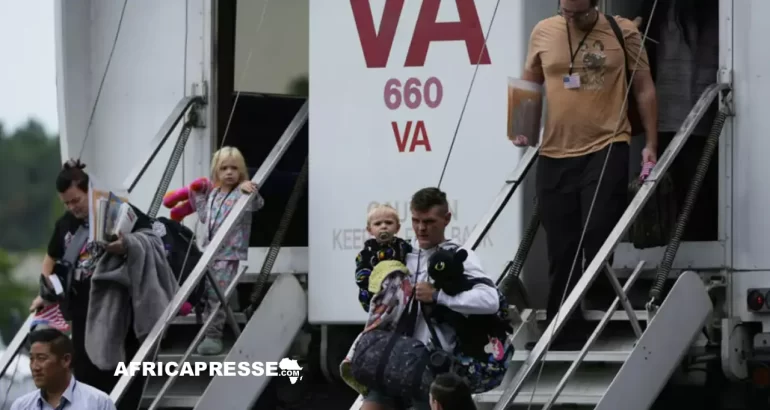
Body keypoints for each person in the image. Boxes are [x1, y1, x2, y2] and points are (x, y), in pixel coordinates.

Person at [514, 0, 658, 349]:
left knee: (596, 233)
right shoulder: (544, 32)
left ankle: (592, 303)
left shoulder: (623, 32)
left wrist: (651, 144)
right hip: (554, 151)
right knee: (560, 247)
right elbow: (530, 81)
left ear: (595, 5)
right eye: (566, 12)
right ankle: (561, 327)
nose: (572, 19)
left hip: (607, 144)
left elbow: (644, 88)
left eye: (579, 13)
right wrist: (522, 126)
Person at [362, 187, 499, 410]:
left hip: (433, 365)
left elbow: (490, 300)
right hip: (394, 356)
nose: (421, 228)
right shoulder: (401, 253)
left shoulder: (459, 255)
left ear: (446, 219)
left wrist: (438, 296)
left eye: (429, 221)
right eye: (416, 221)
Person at [28, 159, 150, 410]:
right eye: (67, 203)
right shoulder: (65, 224)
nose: (73, 207)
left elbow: (149, 238)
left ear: (89, 191)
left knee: (121, 369)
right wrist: (47, 291)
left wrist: (124, 246)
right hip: (83, 311)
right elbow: (50, 258)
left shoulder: (116, 210)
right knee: (86, 372)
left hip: (118, 308)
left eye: (76, 200)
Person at [633, 0, 720, 241]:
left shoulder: (661, 9)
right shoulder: (661, 8)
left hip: (687, 116)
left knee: (686, 194)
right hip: (686, 116)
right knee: (691, 194)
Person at [185, 146, 263, 355]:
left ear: (241, 172)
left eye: (234, 168)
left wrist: (249, 190)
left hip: (229, 253)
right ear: (216, 172)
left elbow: (256, 204)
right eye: (224, 168)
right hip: (210, 252)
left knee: (215, 295)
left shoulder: (242, 192)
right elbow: (204, 216)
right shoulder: (214, 195)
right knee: (206, 290)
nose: (229, 172)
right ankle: (231, 299)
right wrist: (196, 195)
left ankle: (213, 335)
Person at [10, 328, 116, 410]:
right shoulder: (21, 406)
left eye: (41, 358)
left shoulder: (98, 403)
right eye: (31, 359)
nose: (34, 367)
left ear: (66, 360)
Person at [354, 204, 413, 312]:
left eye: (389, 223)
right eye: (378, 223)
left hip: (401, 296)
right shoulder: (366, 253)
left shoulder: (404, 246)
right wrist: (377, 288)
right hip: (377, 297)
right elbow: (361, 276)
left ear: (397, 228)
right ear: (369, 229)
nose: (384, 226)